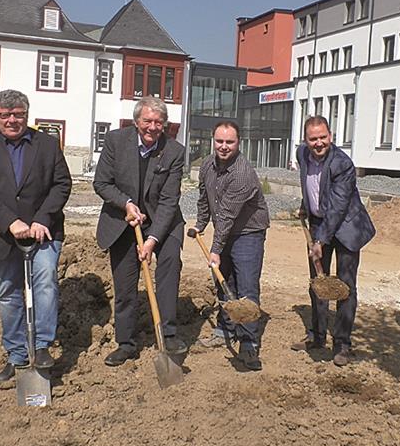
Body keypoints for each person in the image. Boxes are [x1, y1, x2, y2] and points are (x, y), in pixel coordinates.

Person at [0, 89, 71, 383]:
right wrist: (10, 222)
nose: (13, 120)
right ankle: (16, 355)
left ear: (26, 114)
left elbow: (62, 184)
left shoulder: (47, 144)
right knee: (9, 294)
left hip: (44, 232)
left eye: (19, 114)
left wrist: (41, 219)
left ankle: (41, 347)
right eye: (6, 115)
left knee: (46, 281)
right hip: (1, 234)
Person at [94, 96, 187, 367]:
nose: (152, 127)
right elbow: (102, 183)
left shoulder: (174, 151)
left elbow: (170, 200)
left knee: (169, 265)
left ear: (165, 125)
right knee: (125, 282)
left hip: (163, 221)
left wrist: (152, 240)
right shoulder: (115, 141)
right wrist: (126, 203)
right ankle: (126, 342)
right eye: (147, 121)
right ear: (137, 122)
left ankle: (167, 333)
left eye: (159, 122)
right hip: (123, 219)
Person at [293, 115, 375, 367]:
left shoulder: (342, 163)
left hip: (347, 228)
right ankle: (317, 336)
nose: (318, 143)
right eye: (312, 138)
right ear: (305, 140)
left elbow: (338, 207)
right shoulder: (301, 155)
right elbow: (314, 187)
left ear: (331, 136)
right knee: (318, 283)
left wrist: (320, 241)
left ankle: (342, 344)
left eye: (322, 137)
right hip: (320, 224)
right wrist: (306, 206)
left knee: (344, 288)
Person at [194, 120, 270, 371]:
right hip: (225, 231)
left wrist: (215, 249)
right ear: (212, 140)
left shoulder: (242, 174)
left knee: (246, 287)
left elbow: (226, 214)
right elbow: (205, 198)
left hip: (248, 233)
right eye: (219, 141)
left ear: (239, 143)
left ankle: (248, 343)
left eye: (230, 142)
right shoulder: (207, 165)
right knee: (223, 281)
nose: (224, 147)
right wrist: (201, 224)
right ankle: (225, 330)